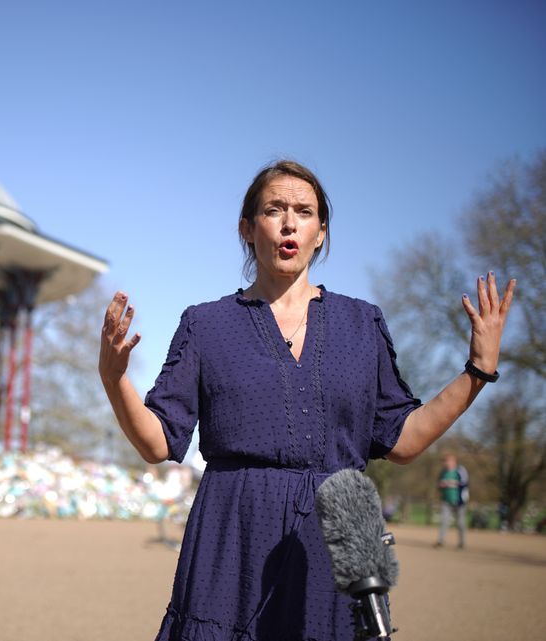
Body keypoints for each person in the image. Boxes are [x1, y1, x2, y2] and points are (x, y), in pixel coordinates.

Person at [99, 160, 517, 641]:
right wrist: (115, 380)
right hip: (232, 533)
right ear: (247, 228)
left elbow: (403, 441)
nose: (289, 222)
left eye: (304, 211)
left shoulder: (363, 324)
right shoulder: (205, 325)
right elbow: (158, 442)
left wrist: (477, 373)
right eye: (274, 209)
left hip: (336, 538)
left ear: (320, 232)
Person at [435, 453, 469, 548]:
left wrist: (450, 483)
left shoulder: (460, 470)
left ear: (454, 462)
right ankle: (440, 541)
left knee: (460, 522)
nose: (445, 463)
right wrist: (441, 485)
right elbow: (439, 484)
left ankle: (462, 543)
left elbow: (464, 483)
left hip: (459, 500)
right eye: (445, 461)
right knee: (444, 521)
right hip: (446, 500)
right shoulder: (443, 472)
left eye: (447, 461)